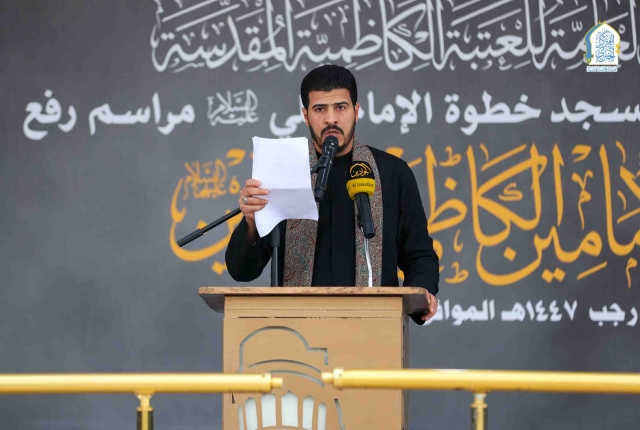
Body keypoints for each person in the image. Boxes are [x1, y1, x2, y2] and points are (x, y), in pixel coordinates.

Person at [225, 65, 440, 324]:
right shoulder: (282, 173)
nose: (331, 119)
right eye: (319, 109)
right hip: (295, 331)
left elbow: (419, 255)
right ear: (305, 115)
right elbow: (242, 271)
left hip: (375, 330)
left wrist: (423, 293)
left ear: (356, 111)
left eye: (340, 107)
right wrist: (251, 221)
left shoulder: (392, 173)